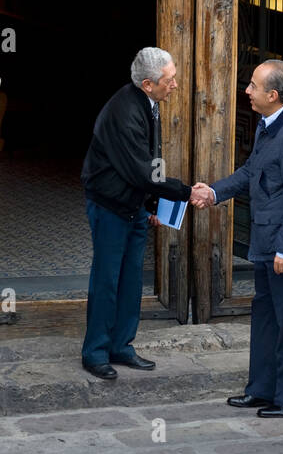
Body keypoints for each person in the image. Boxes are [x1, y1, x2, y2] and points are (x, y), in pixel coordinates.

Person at [192, 60, 283, 418]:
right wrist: (214, 193)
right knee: (266, 317)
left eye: (252, 86)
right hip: (269, 244)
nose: (246, 91)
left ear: (273, 94)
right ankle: (264, 389)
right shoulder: (270, 126)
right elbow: (252, 171)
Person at [81, 48, 199, 379]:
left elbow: (149, 163)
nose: (175, 84)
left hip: (133, 205)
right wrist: (186, 192)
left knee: (131, 279)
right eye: (169, 80)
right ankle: (95, 352)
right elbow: (142, 171)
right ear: (148, 84)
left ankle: (121, 346)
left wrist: (151, 205)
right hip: (111, 206)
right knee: (107, 280)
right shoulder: (123, 110)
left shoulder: (148, 102)